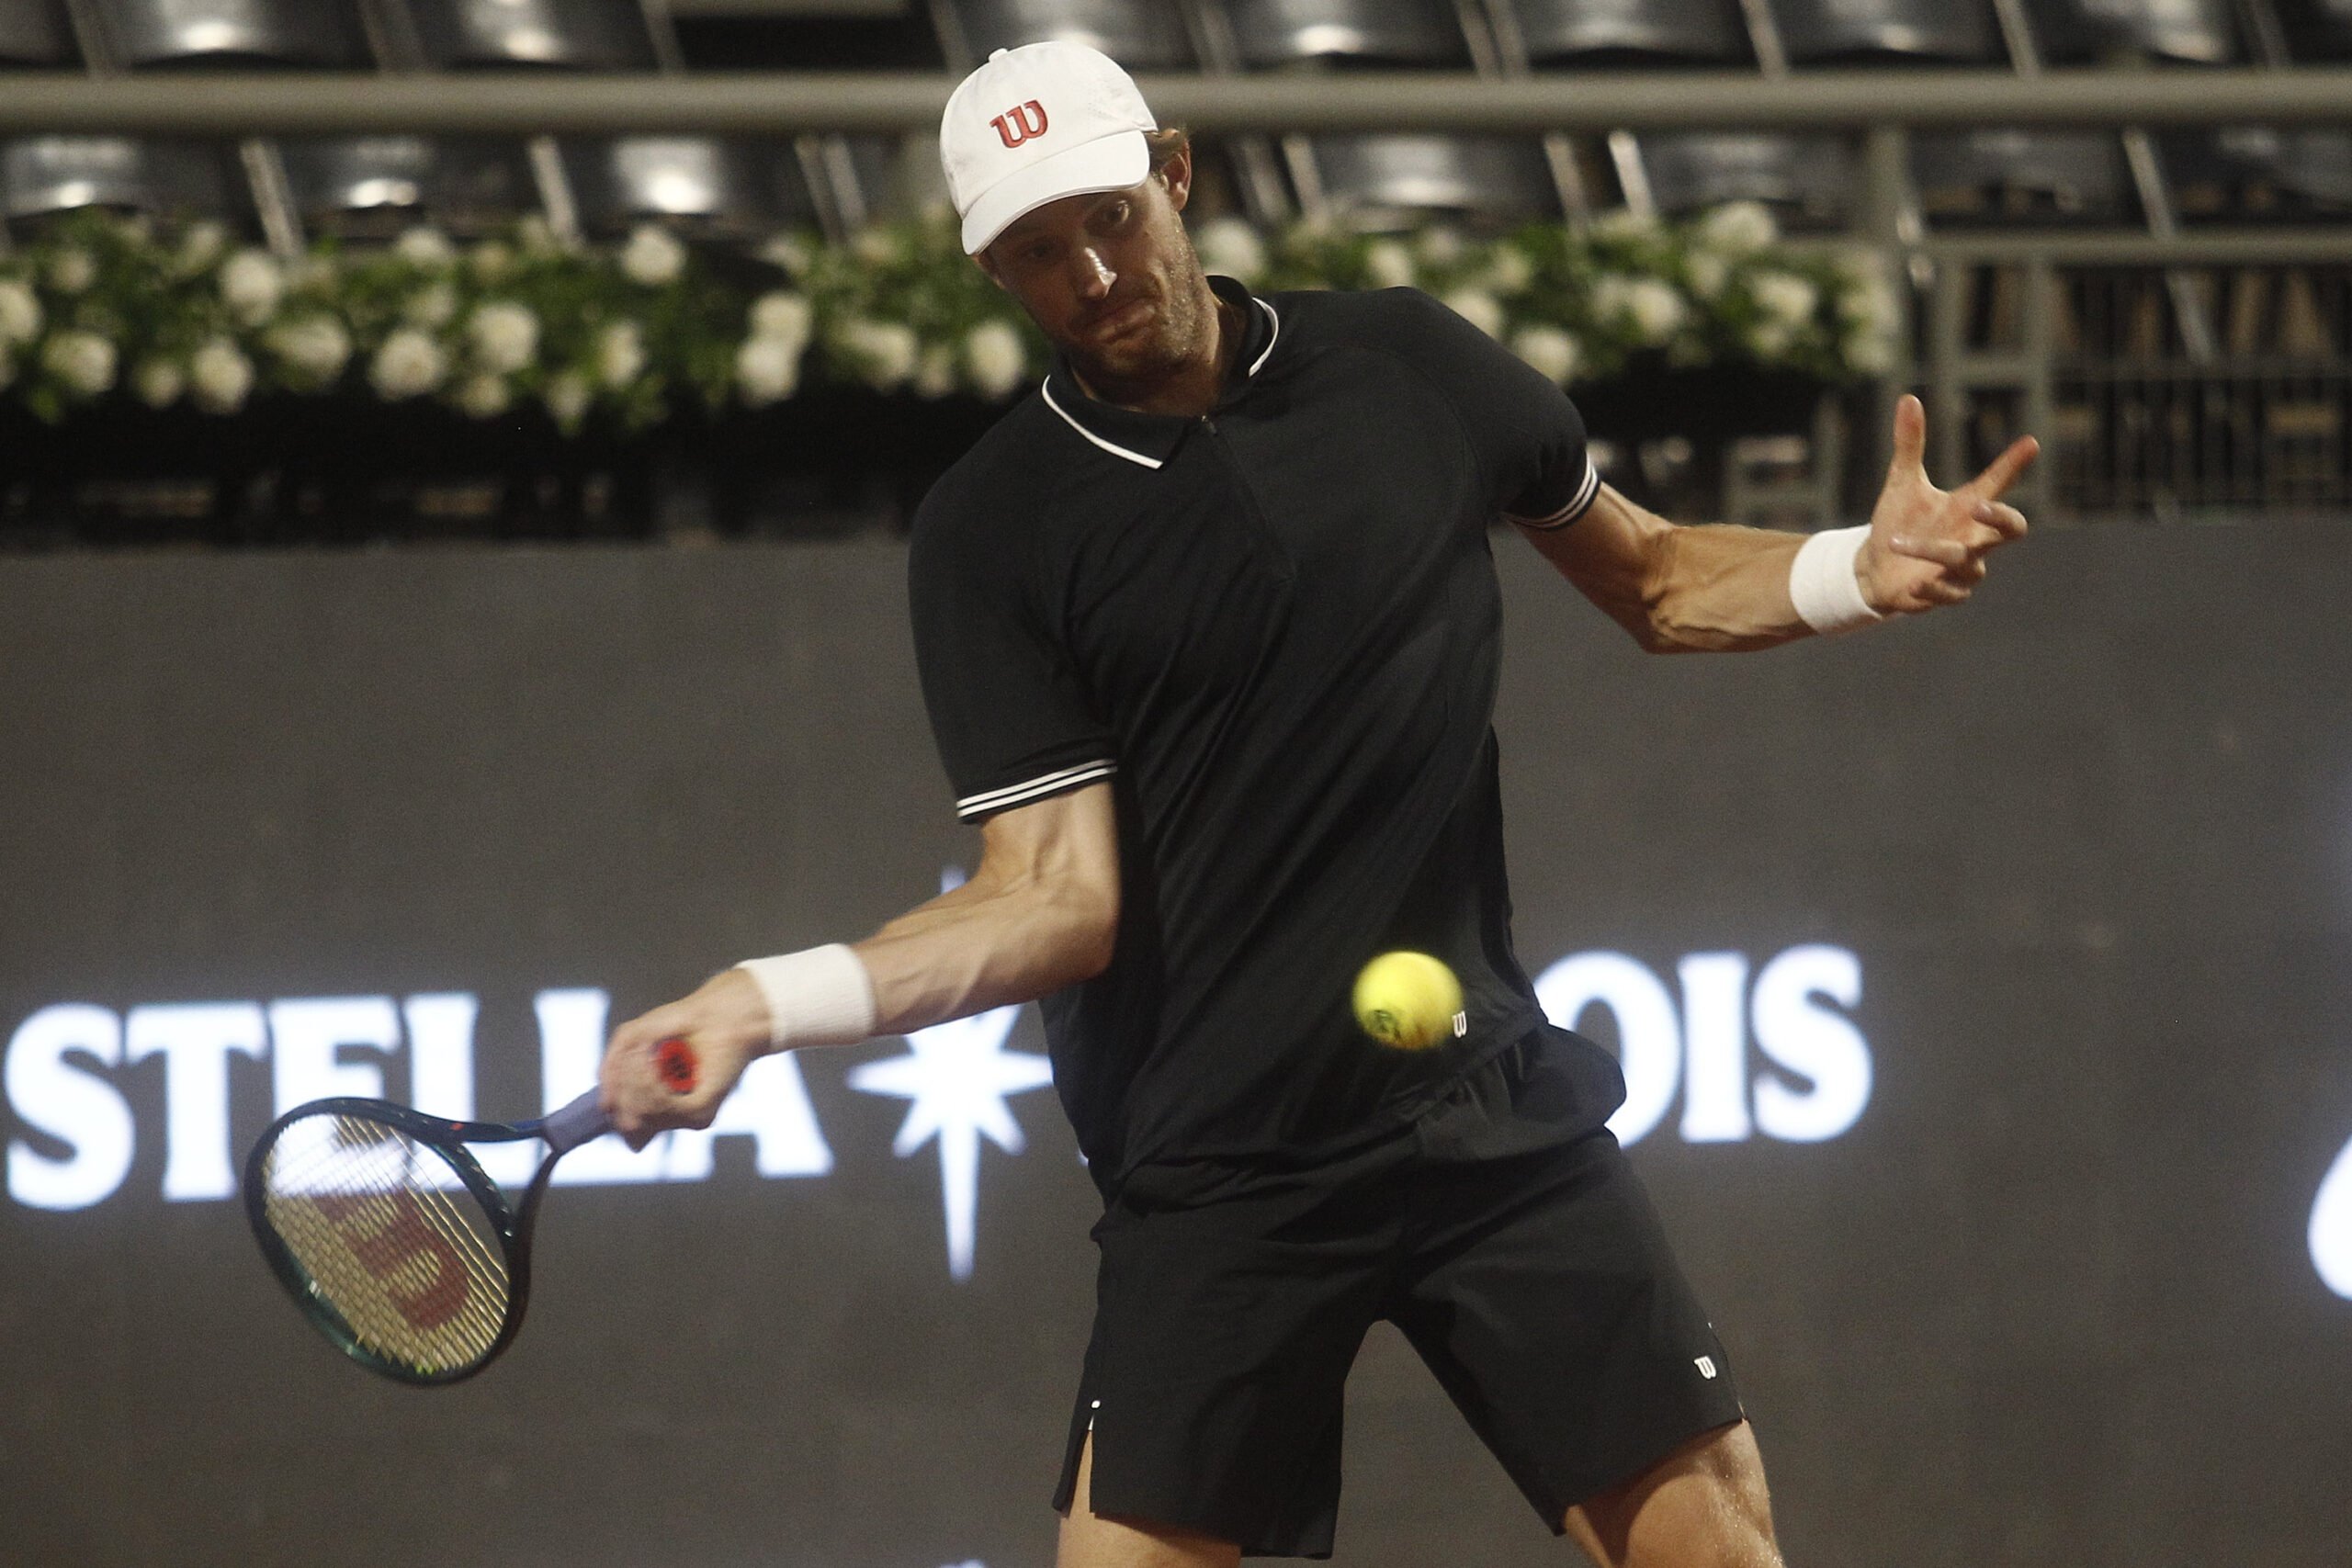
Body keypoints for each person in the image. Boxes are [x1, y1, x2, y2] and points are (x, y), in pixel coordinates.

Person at [597, 40, 2035, 1568]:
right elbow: (1053, 899)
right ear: (993, 273)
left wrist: (1853, 569)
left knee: (1714, 1546)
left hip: (1483, 1105)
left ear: (1174, 171)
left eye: (1108, 216)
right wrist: (761, 1001)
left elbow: (1660, 577)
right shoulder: (992, 531)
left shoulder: (1409, 363)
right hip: (1222, 1169)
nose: (1092, 273)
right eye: (1037, 251)